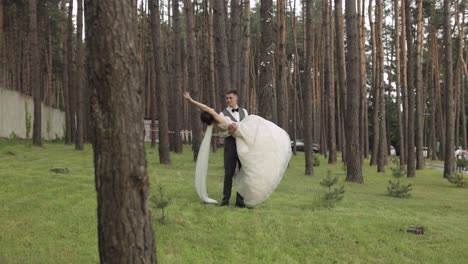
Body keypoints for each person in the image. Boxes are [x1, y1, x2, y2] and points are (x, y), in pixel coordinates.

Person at [183, 92, 292, 208]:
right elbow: (221, 134)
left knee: (245, 171)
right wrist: (191, 100)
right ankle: (225, 200)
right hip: (232, 144)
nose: (228, 100)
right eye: (227, 98)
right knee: (228, 173)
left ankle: (241, 201)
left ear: (236, 98)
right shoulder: (220, 115)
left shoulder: (243, 112)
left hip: (244, 141)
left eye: (230, 98)